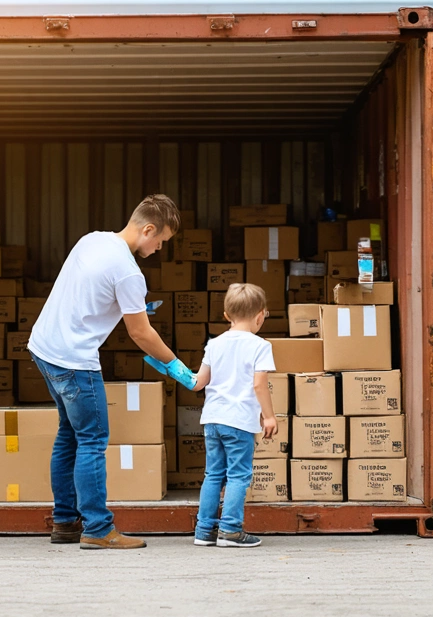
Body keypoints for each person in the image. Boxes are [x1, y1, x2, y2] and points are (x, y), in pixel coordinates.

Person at [28, 194, 193, 550]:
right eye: (161, 241)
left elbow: (87, 291)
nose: (160, 248)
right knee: (92, 440)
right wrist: (178, 368)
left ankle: (65, 522)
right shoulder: (129, 272)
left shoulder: (93, 239)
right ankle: (99, 529)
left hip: (44, 349)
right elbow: (141, 333)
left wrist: (131, 306)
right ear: (148, 229)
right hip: (74, 362)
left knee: (69, 435)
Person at [183, 283, 278, 548]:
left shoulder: (214, 344)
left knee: (213, 474)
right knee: (238, 476)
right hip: (239, 422)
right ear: (261, 315)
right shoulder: (260, 346)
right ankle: (231, 530)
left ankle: (204, 531)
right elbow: (259, 385)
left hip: (212, 419)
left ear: (226, 315)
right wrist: (268, 417)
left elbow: (199, 382)